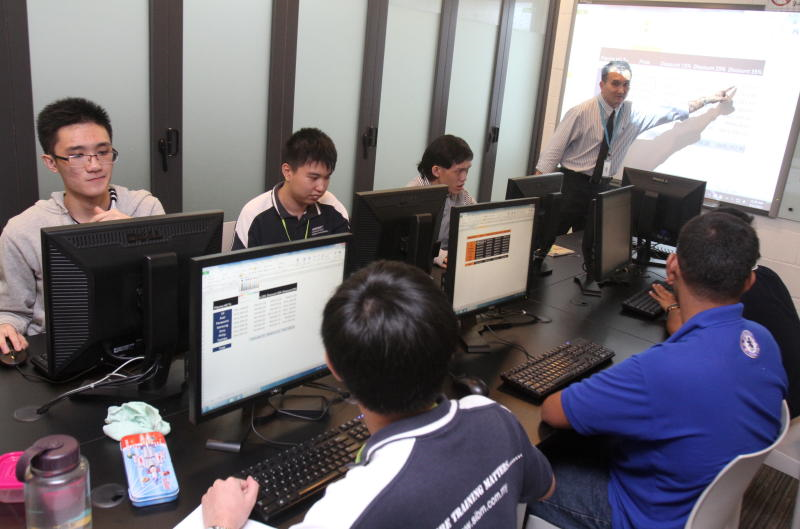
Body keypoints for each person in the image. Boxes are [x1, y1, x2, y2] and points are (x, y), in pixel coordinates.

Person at [201, 260, 555, 529]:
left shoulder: (348, 512)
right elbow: (546, 488)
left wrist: (223, 522)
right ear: (450, 347)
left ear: (333, 366)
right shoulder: (494, 415)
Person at [530, 212, 787, 529]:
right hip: (701, 504)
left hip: (640, 514)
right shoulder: (762, 341)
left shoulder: (660, 370)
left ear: (672, 266)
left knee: (524, 469)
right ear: (749, 281)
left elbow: (554, 412)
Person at [0, 97, 164, 355]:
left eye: (103, 152)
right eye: (76, 155)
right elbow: (13, 311)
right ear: (51, 162)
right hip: (62, 355)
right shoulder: (23, 229)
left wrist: (135, 237)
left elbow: (169, 294)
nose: (95, 166)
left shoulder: (145, 209)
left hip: (137, 348)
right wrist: (6, 326)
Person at [536, 60, 735, 234]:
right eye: (615, 83)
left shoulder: (634, 114)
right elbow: (552, 153)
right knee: (550, 238)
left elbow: (673, 111)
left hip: (601, 188)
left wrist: (709, 100)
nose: (621, 90)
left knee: (585, 244)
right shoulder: (581, 112)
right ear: (602, 84)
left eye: (626, 85)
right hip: (572, 186)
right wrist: (535, 198)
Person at [650, 207, 800, 418]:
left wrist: (673, 306)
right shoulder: (766, 275)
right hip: (782, 389)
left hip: (775, 407)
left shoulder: (736, 295)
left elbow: (684, 335)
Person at [232, 128, 349, 249]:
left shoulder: (332, 206)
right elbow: (239, 261)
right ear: (287, 172)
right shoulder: (254, 213)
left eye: (327, 177)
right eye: (314, 178)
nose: (321, 187)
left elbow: (347, 256)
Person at [407, 134, 476, 267]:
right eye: (458, 171)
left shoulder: (461, 194)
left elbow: (477, 223)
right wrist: (439, 255)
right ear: (436, 171)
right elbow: (409, 243)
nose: (464, 178)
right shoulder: (413, 195)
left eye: (467, 170)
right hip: (418, 267)